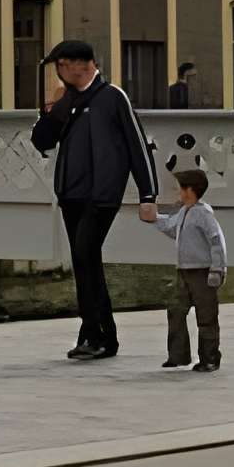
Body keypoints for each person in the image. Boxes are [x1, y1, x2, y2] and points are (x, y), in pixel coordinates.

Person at [31, 39, 159, 361]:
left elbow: (137, 146)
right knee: (83, 262)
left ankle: (99, 335)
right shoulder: (68, 100)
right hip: (70, 195)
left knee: (87, 254)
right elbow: (42, 142)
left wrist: (148, 194)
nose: (58, 73)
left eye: (61, 66)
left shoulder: (113, 98)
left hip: (100, 196)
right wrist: (48, 111)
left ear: (81, 64)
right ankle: (95, 334)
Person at [151, 166, 229, 371]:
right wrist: (154, 218)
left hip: (203, 272)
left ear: (191, 190)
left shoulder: (204, 214)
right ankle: (178, 355)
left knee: (206, 316)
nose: (179, 192)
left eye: (181, 188)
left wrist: (217, 269)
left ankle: (210, 358)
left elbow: (216, 241)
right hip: (183, 271)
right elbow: (171, 228)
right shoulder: (184, 212)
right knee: (176, 311)